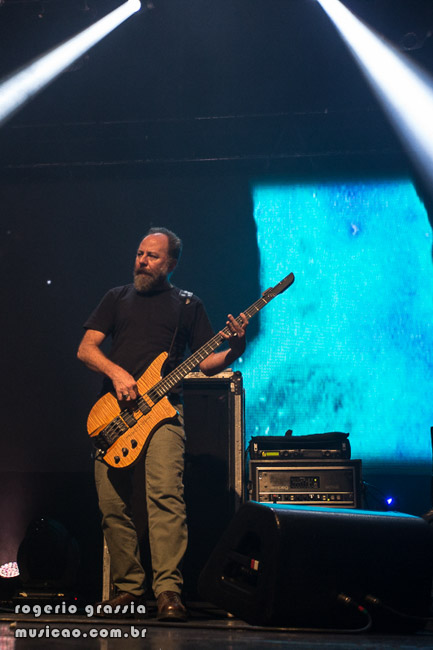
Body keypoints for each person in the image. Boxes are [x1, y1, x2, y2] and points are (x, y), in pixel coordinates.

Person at [77, 227, 248, 621]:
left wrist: (235, 349)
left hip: (165, 413)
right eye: (140, 253)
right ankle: (128, 590)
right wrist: (117, 373)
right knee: (112, 505)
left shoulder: (188, 305)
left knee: (165, 498)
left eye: (152, 256)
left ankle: (169, 591)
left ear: (171, 263)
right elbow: (86, 349)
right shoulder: (116, 297)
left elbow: (206, 362)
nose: (142, 261)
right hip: (114, 415)